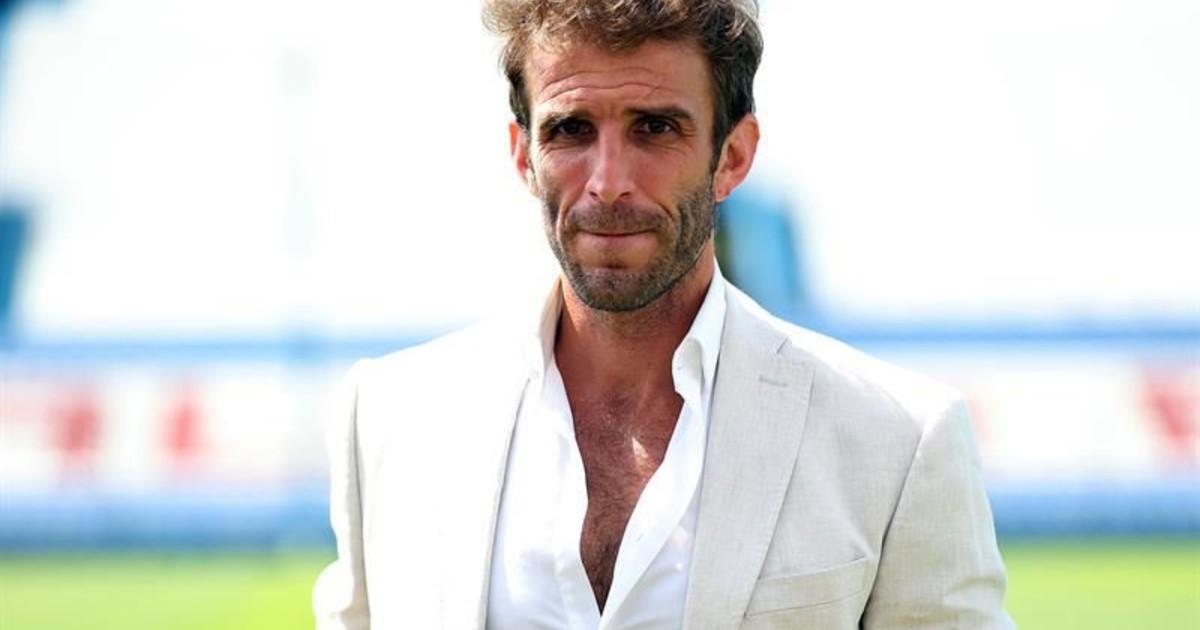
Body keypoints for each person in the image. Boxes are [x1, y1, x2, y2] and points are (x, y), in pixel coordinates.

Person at [313, 1, 1013, 628]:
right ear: (523, 156)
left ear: (732, 156)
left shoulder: (896, 441)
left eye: (654, 128)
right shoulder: (388, 418)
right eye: (571, 130)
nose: (608, 182)